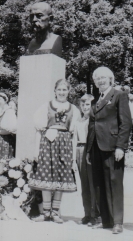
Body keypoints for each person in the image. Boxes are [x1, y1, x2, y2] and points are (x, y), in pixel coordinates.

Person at [86, 67, 132, 234]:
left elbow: (125, 123)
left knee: (114, 183)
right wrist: (88, 150)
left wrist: (121, 146)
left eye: (104, 78)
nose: (100, 80)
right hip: (96, 147)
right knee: (99, 183)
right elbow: (92, 126)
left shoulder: (119, 96)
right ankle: (106, 220)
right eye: (97, 78)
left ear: (111, 79)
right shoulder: (95, 100)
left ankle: (117, 222)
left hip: (112, 146)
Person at [29, 79, 80, 223]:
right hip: (48, 143)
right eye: (59, 90)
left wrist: (73, 157)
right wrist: (36, 150)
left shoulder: (73, 109)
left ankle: (55, 212)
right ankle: (45, 212)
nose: (62, 92)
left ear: (68, 91)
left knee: (60, 176)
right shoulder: (47, 106)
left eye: (64, 90)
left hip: (64, 145)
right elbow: (39, 128)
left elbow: (74, 133)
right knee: (46, 176)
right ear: (55, 91)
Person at [73, 94, 100, 226]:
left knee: (92, 182)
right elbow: (74, 139)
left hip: (90, 151)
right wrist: (73, 158)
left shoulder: (94, 120)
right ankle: (87, 213)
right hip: (80, 150)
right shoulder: (78, 121)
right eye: (82, 104)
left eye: (87, 104)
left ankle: (95, 214)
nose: (85, 107)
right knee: (84, 183)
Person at [0, 92, 17, 159]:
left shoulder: (9, 111)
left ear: (5, 100)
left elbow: (12, 129)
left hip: (5, 140)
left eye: (0, 100)